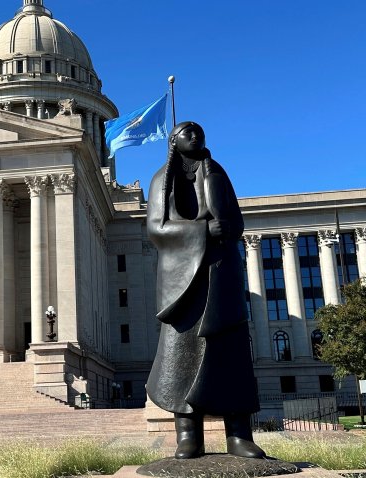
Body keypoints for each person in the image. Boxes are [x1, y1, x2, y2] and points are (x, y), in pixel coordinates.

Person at [145, 121, 265, 459]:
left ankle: (239, 435)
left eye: (199, 131)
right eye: (187, 131)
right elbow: (156, 228)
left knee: (230, 353)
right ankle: (188, 435)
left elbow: (237, 221)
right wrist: (203, 231)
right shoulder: (160, 180)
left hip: (220, 273)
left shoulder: (218, 174)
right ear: (173, 141)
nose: (195, 135)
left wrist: (224, 229)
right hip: (183, 284)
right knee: (180, 356)